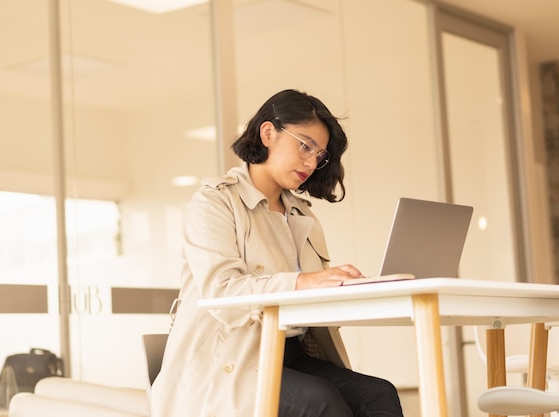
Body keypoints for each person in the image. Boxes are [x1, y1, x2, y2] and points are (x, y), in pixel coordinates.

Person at [151, 89, 405, 417]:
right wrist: (306, 281)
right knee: (320, 401)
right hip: (232, 361)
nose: (312, 162)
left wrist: (345, 288)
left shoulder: (302, 215)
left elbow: (306, 296)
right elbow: (223, 291)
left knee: (378, 394)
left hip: (291, 353)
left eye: (320, 155)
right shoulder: (216, 201)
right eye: (305, 145)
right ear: (268, 132)